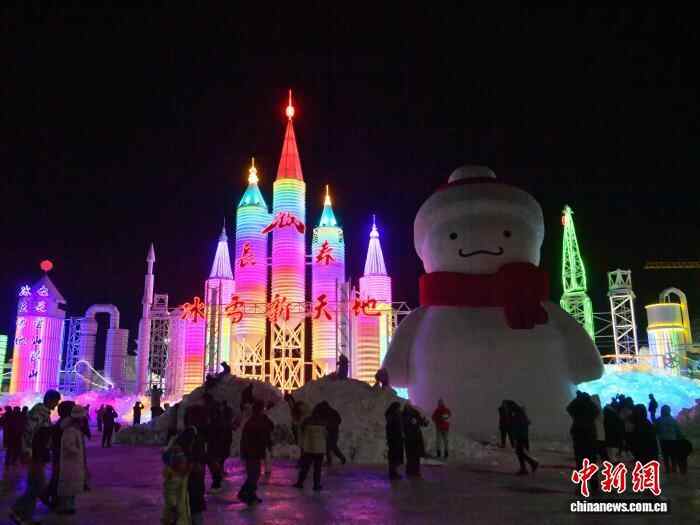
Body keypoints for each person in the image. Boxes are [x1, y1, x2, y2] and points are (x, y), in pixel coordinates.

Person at [10, 389, 61, 525]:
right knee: (37, 485)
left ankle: (23, 515)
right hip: (35, 456)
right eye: (56, 402)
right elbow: (28, 432)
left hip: (39, 455)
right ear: (49, 400)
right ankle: (19, 511)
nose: (56, 405)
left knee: (35, 485)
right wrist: (27, 451)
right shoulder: (39, 413)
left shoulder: (44, 413)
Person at [174, 405, 208, 525]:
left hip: (192, 482)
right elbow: (178, 454)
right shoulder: (190, 434)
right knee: (193, 511)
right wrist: (192, 464)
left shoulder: (195, 434)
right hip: (190, 482)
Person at [238, 400, 274, 505]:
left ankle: (250, 494)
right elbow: (268, 429)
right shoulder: (255, 422)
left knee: (254, 474)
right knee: (254, 475)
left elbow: (269, 429)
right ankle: (246, 494)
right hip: (252, 451)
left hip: (254, 451)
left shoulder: (256, 420)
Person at [57, 405, 87, 515]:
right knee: (68, 486)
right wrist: (77, 452)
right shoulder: (70, 431)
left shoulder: (74, 430)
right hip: (70, 463)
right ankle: (66, 507)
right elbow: (69, 447)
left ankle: (69, 506)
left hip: (74, 463)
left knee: (72, 487)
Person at [46, 400, 76, 509]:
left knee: (58, 477)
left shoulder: (60, 423)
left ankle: (55, 499)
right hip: (62, 455)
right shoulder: (65, 424)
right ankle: (57, 501)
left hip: (59, 454)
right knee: (61, 478)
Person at [294, 404, 327, 491]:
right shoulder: (323, 422)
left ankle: (300, 483)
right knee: (317, 468)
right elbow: (326, 435)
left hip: (309, 448)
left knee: (305, 467)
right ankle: (316, 485)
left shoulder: (307, 421)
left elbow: (301, 430)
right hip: (319, 449)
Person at [566, 391, 599, 470]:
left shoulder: (577, 405)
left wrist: (577, 399)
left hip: (578, 431)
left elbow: (568, 408)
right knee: (591, 453)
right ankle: (591, 471)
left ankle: (581, 469)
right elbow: (597, 412)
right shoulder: (591, 405)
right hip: (590, 431)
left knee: (579, 453)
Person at [161, 444, 191, 525]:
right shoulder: (173, 478)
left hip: (181, 511)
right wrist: (174, 506)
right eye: (183, 463)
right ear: (176, 464)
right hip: (175, 513)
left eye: (185, 463)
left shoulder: (182, 475)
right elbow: (169, 493)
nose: (185, 465)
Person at [509, 401, 538, 475]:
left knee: (519, 452)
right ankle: (528, 466)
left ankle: (531, 464)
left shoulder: (518, 415)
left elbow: (519, 427)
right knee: (519, 452)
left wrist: (517, 437)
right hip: (521, 436)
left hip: (520, 436)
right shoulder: (518, 414)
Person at [402, 402, 428, 478]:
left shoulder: (414, 413)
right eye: (408, 405)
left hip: (414, 437)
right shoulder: (404, 414)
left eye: (409, 405)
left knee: (415, 455)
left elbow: (421, 422)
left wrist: (424, 422)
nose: (409, 406)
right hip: (410, 437)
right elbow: (403, 424)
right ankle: (411, 471)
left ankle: (414, 471)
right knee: (411, 455)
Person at [655, 405, 683, 474]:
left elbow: (656, 430)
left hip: (663, 440)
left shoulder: (659, 420)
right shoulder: (673, 420)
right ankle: (674, 468)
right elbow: (678, 431)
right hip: (673, 440)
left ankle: (667, 469)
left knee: (665, 456)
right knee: (673, 455)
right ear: (669, 411)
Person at [318, 401, 346, 466]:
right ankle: (339, 459)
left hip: (333, 431)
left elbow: (339, 420)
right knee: (331, 446)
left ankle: (335, 460)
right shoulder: (330, 412)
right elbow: (339, 420)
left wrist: (331, 424)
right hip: (331, 431)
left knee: (331, 446)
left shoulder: (331, 412)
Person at [385, 402, 404, 479]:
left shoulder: (395, 415)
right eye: (398, 408)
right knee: (394, 456)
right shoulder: (392, 416)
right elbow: (389, 428)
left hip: (396, 439)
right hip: (394, 439)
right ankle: (393, 473)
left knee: (395, 456)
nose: (399, 409)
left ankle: (394, 472)